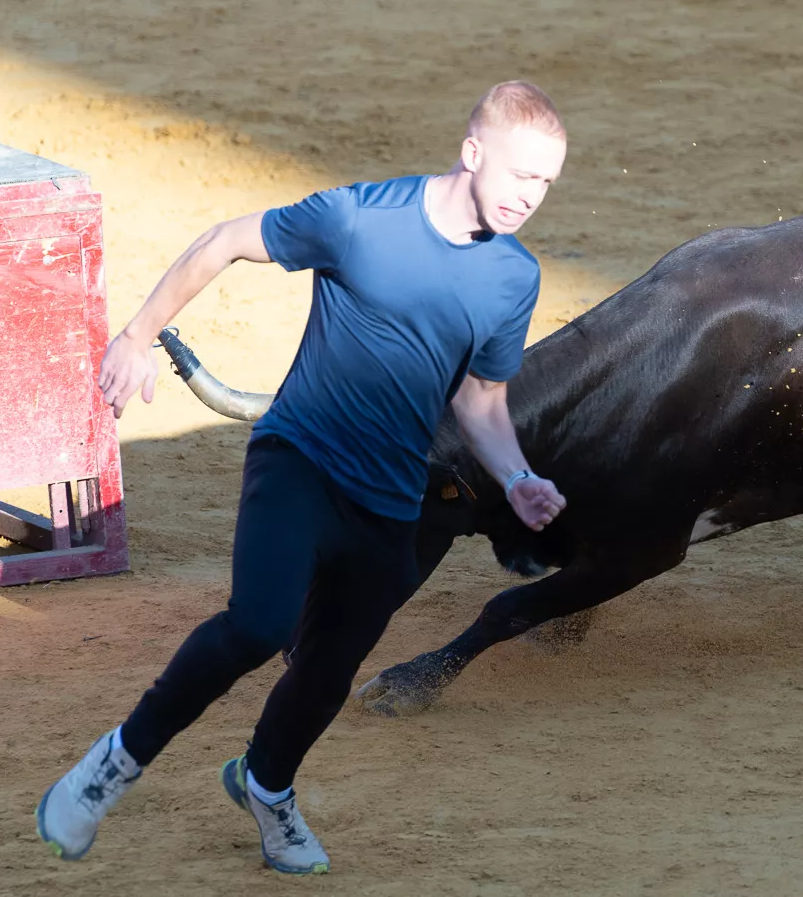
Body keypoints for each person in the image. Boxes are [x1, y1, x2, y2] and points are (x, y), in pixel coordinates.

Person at [36, 81, 570, 875]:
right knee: (259, 624)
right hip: (301, 460)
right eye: (522, 175)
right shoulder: (360, 219)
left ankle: (266, 786)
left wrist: (518, 474)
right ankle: (115, 761)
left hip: (391, 500)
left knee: (325, 674)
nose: (532, 196)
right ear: (472, 153)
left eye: (547, 183)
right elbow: (226, 240)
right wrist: (137, 335)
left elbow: (481, 396)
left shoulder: (512, 278)